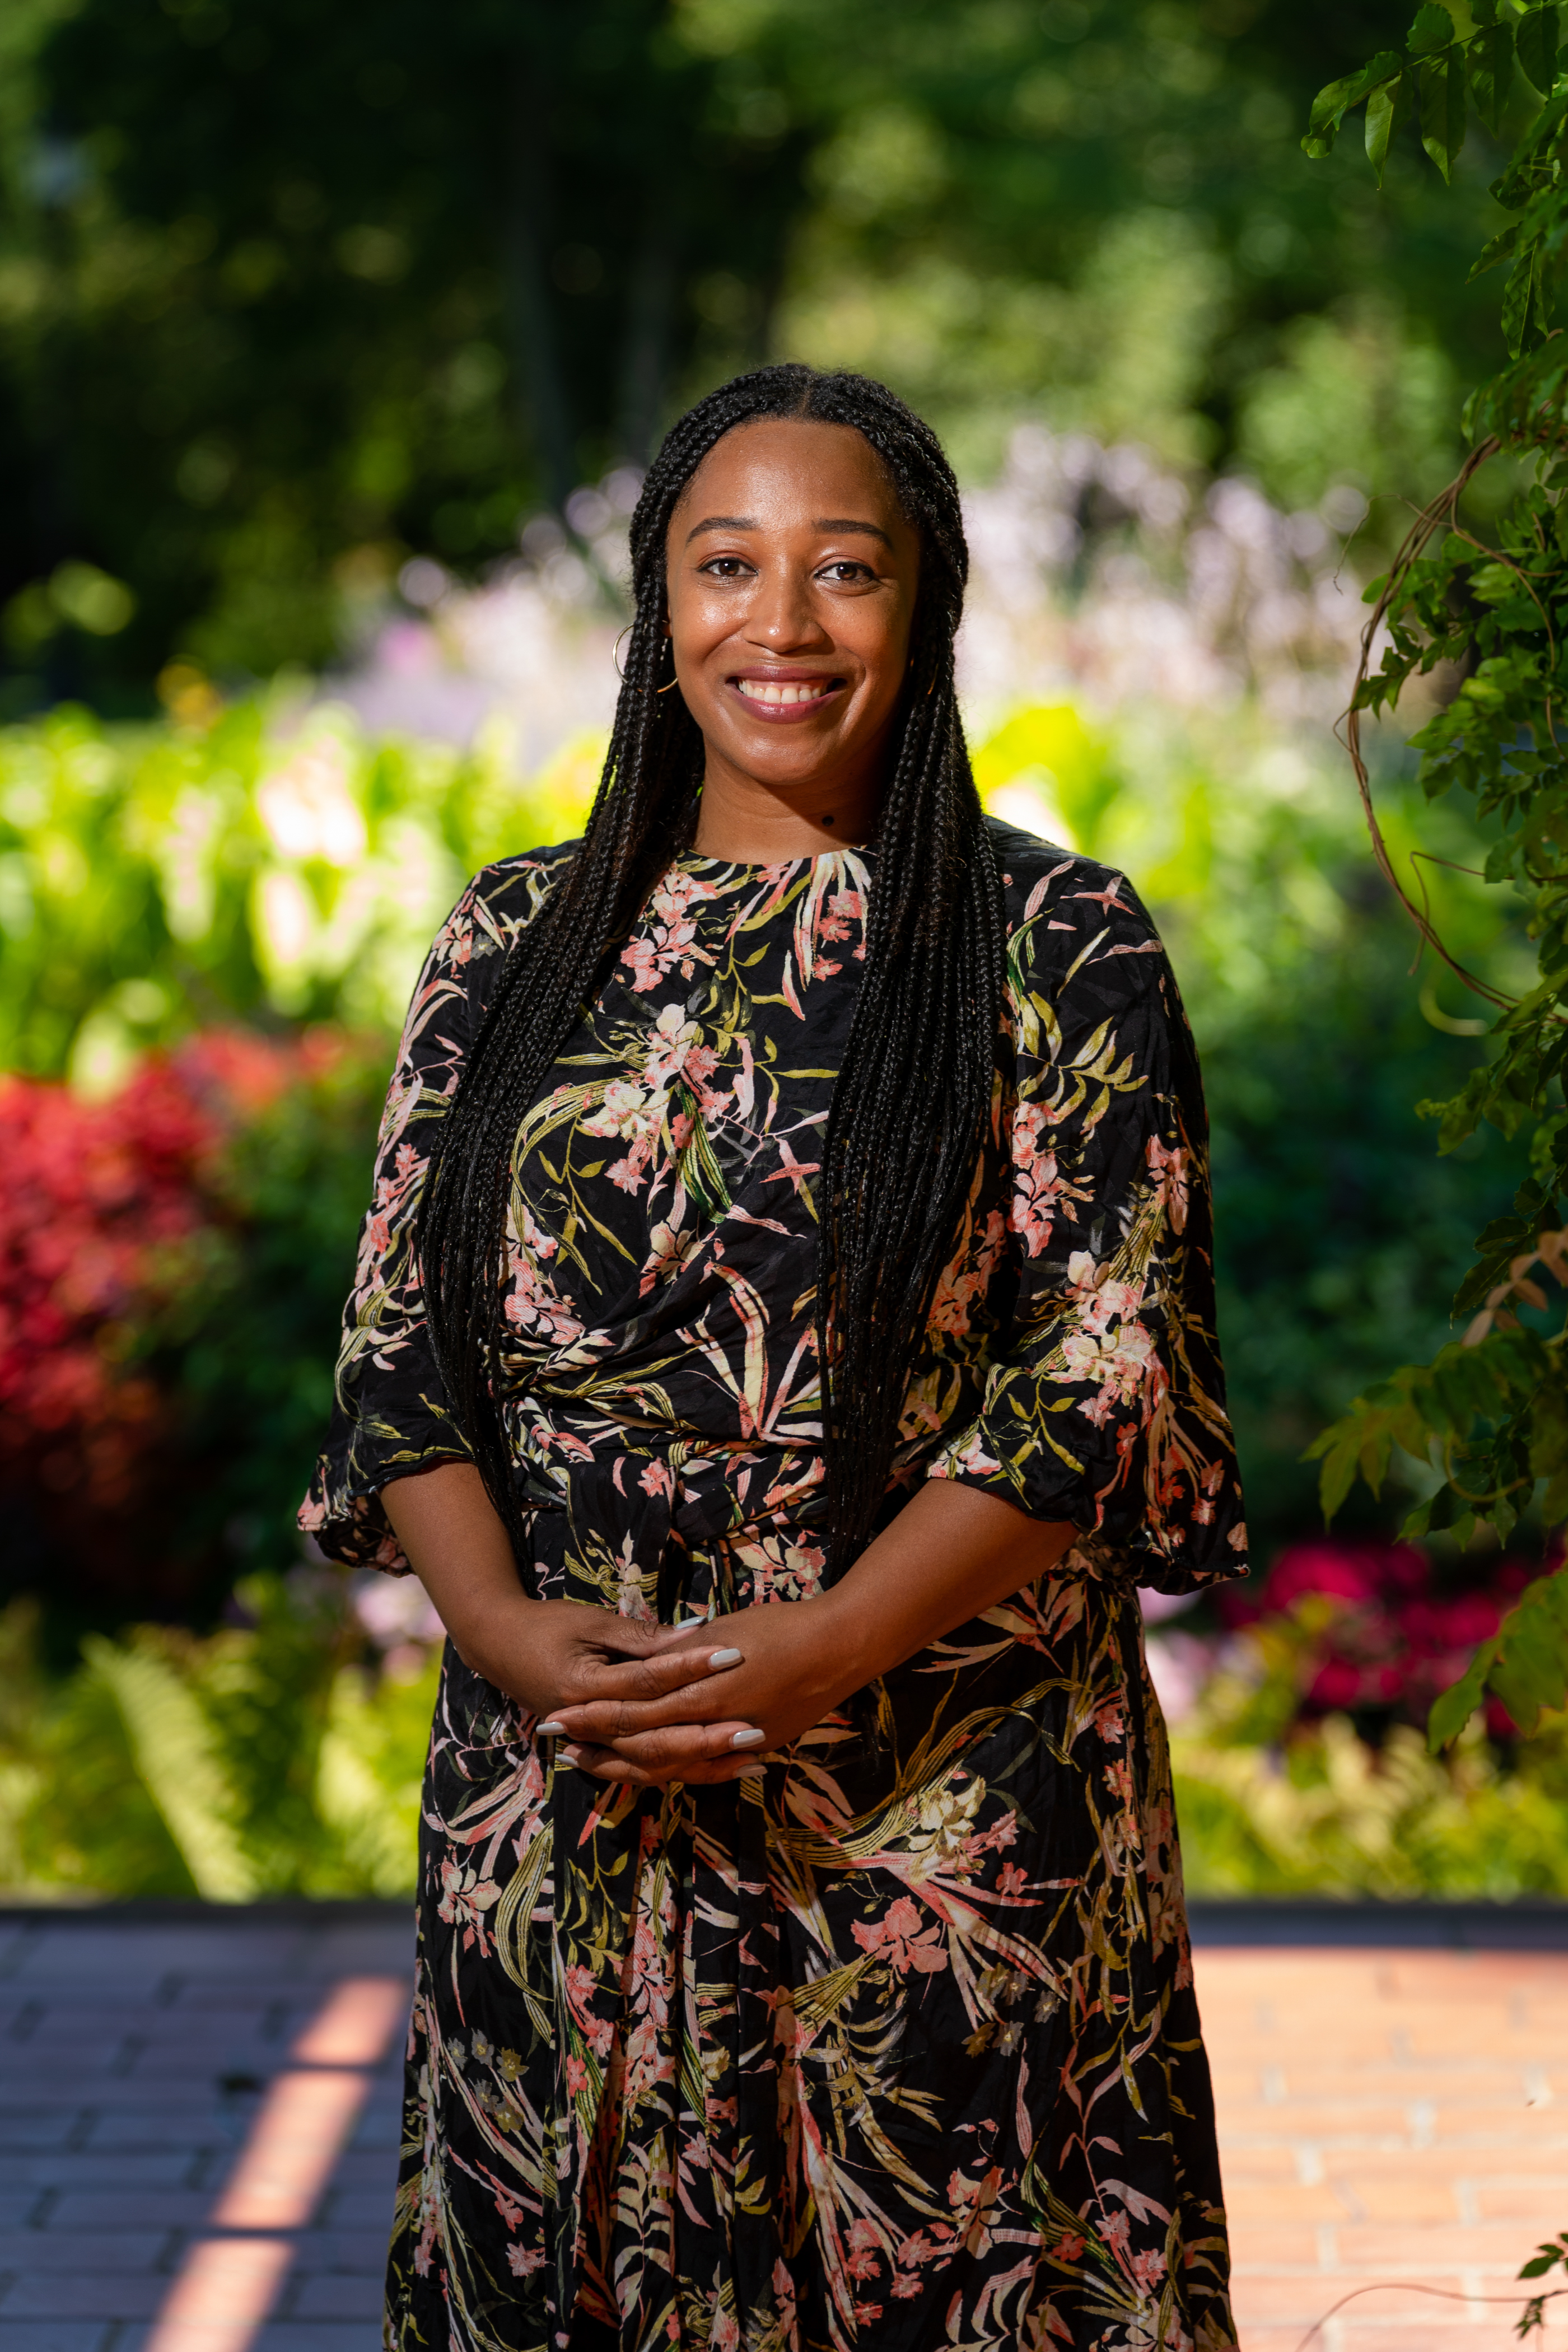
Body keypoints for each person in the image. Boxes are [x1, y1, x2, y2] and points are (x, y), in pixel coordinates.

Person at [302, 363, 1245, 2352]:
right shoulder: (513, 939)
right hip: (565, 1805)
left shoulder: (1052, 942)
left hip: (933, 1809)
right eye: (727, 566)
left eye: (846, 569)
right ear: (662, 603)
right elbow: (399, 1343)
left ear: (932, 605)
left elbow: (1097, 1374)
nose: (783, 624)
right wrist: (503, 1637)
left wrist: (813, 1656)